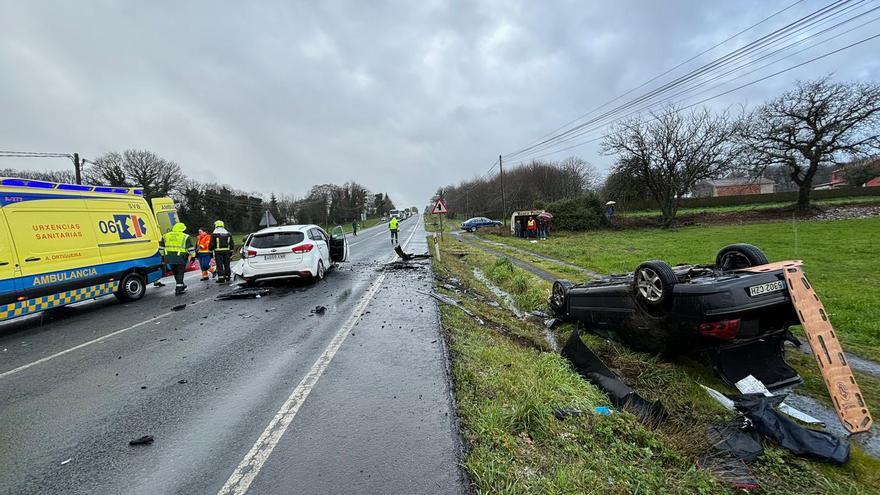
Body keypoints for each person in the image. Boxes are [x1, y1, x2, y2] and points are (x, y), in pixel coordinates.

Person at [159, 222, 196, 295]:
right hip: (180, 256)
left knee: (175, 272)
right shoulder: (185, 236)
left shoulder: (165, 236)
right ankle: (178, 289)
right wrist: (193, 256)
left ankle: (181, 285)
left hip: (168, 257)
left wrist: (162, 256)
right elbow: (190, 248)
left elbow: (161, 247)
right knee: (180, 272)